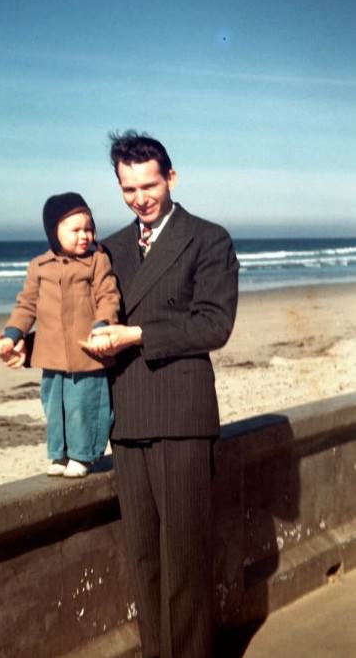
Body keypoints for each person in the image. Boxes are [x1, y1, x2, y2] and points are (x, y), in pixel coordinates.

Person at [80, 131, 239, 658]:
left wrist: (139, 335)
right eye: (128, 189)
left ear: (171, 177)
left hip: (182, 415)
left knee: (185, 561)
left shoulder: (209, 239)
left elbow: (215, 326)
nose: (140, 198)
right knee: (144, 558)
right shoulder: (111, 249)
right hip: (127, 417)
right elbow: (85, 318)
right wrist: (27, 345)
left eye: (149, 185)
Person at [0, 192, 120, 478]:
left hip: (88, 352)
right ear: (54, 232)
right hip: (51, 353)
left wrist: (102, 327)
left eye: (88, 228)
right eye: (75, 230)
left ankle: (83, 455)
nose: (84, 236)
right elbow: (26, 305)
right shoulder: (39, 266)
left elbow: (108, 297)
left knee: (85, 404)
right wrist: (12, 335)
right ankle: (59, 454)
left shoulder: (97, 261)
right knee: (55, 406)